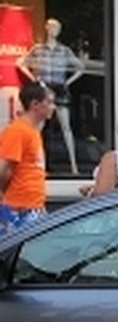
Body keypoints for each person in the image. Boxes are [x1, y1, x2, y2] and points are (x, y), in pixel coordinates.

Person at [16, 18, 85, 176]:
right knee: (37, 129)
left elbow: (81, 67)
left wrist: (67, 82)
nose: (53, 31)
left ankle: (74, 167)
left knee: (66, 127)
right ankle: (38, 164)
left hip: (59, 89)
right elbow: (20, 63)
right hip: (44, 88)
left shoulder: (64, 50)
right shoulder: (38, 49)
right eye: (51, 27)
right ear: (46, 29)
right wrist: (34, 80)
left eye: (56, 28)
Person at [0, 79, 55, 233]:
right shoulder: (17, 131)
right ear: (35, 104)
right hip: (19, 208)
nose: (53, 107)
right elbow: (3, 170)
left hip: (32, 206)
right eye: (49, 102)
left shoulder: (32, 131)